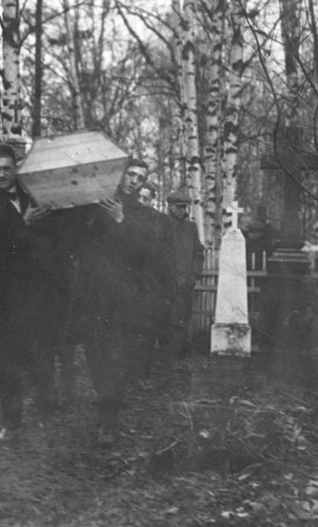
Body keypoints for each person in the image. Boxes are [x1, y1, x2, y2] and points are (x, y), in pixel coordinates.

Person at [68, 158, 176, 447]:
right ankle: (107, 406)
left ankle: (109, 421)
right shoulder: (98, 206)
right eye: (130, 175)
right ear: (120, 176)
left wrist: (121, 220)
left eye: (139, 178)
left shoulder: (146, 216)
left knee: (118, 361)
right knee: (96, 358)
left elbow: (149, 251)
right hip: (95, 300)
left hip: (126, 304)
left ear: (143, 184)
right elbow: (79, 243)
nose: (133, 181)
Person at [0, 143, 65, 440]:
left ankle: (46, 417)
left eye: (7, 168)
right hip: (5, 300)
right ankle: (12, 423)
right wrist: (24, 225)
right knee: (7, 363)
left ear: (16, 168)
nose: (1, 174)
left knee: (42, 357)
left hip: (37, 296)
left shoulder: (36, 198)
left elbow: (50, 243)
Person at [163, 190, 205, 364]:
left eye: (184, 207)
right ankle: (163, 358)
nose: (182, 210)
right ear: (170, 206)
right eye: (178, 207)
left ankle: (176, 359)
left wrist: (193, 276)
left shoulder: (190, 227)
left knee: (181, 321)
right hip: (164, 283)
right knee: (164, 320)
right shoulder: (161, 225)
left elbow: (198, 254)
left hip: (184, 284)